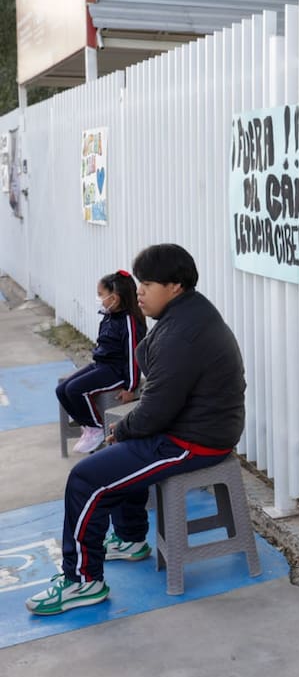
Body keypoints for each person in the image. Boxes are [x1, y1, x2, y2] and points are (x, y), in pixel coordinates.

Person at [27, 243, 246, 616]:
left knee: (85, 478)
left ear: (174, 286)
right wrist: (127, 432)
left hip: (194, 440)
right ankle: (130, 539)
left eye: (148, 284)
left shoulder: (182, 333)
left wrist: (123, 430)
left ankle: (83, 582)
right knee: (118, 453)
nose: (139, 292)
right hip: (195, 428)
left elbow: (155, 411)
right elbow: (158, 400)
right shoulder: (190, 312)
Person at [56, 269, 146, 454]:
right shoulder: (109, 316)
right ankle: (88, 426)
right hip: (100, 365)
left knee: (75, 390)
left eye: (101, 295)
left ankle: (96, 428)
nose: (99, 299)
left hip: (115, 371)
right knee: (62, 390)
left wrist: (130, 387)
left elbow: (133, 355)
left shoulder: (129, 321)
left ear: (115, 298)